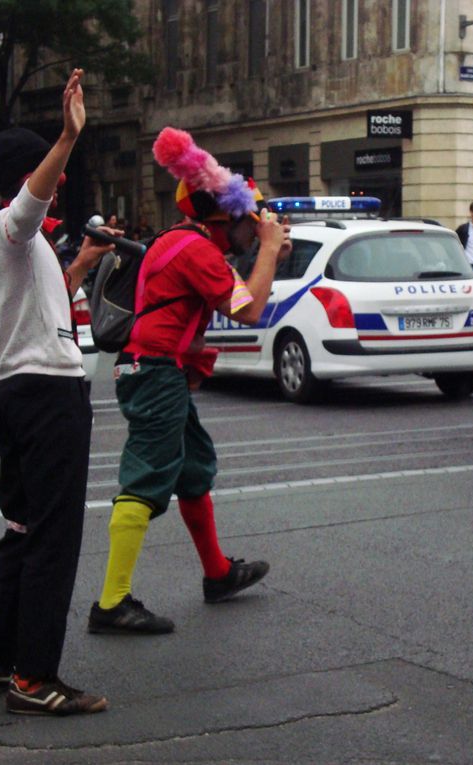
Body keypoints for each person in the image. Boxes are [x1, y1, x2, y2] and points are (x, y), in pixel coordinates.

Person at [87, 126, 290, 634]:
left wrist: (264, 253)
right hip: (153, 373)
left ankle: (218, 574)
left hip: (159, 370)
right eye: (251, 219)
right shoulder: (197, 250)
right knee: (145, 481)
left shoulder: (185, 242)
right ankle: (111, 604)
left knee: (193, 470)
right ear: (225, 215)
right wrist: (266, 252)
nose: (257, 227)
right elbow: (249, 310)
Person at [0, 69, 114, 716]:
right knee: (53, 536)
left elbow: (44, 302)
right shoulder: (9, 227)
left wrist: (81, 261)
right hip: (45, 394)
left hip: (17, 390)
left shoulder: (23, 250)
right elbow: (29, 202)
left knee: (22, 530)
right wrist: (68, 136)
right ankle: (35, 676)